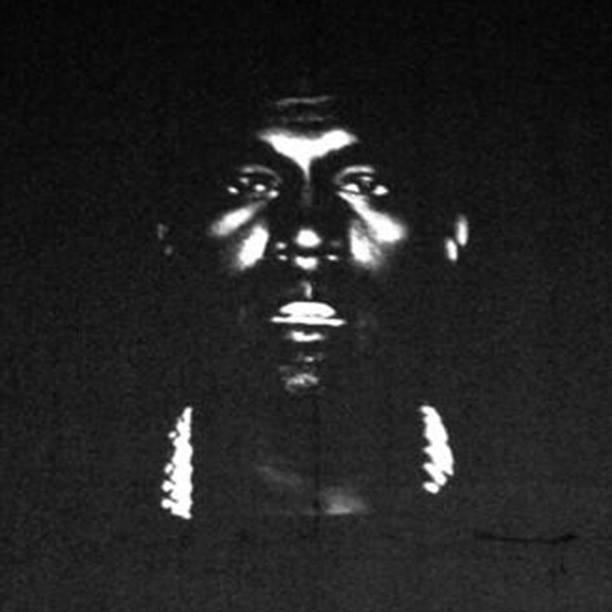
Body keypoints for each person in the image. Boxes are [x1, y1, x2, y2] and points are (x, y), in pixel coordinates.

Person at [155, 91, 470, 524]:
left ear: (449, 236)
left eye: (364, 184)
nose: (307, 234)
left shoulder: (529, 508)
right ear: (172, 235)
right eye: (251, 184)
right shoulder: (78, 519)